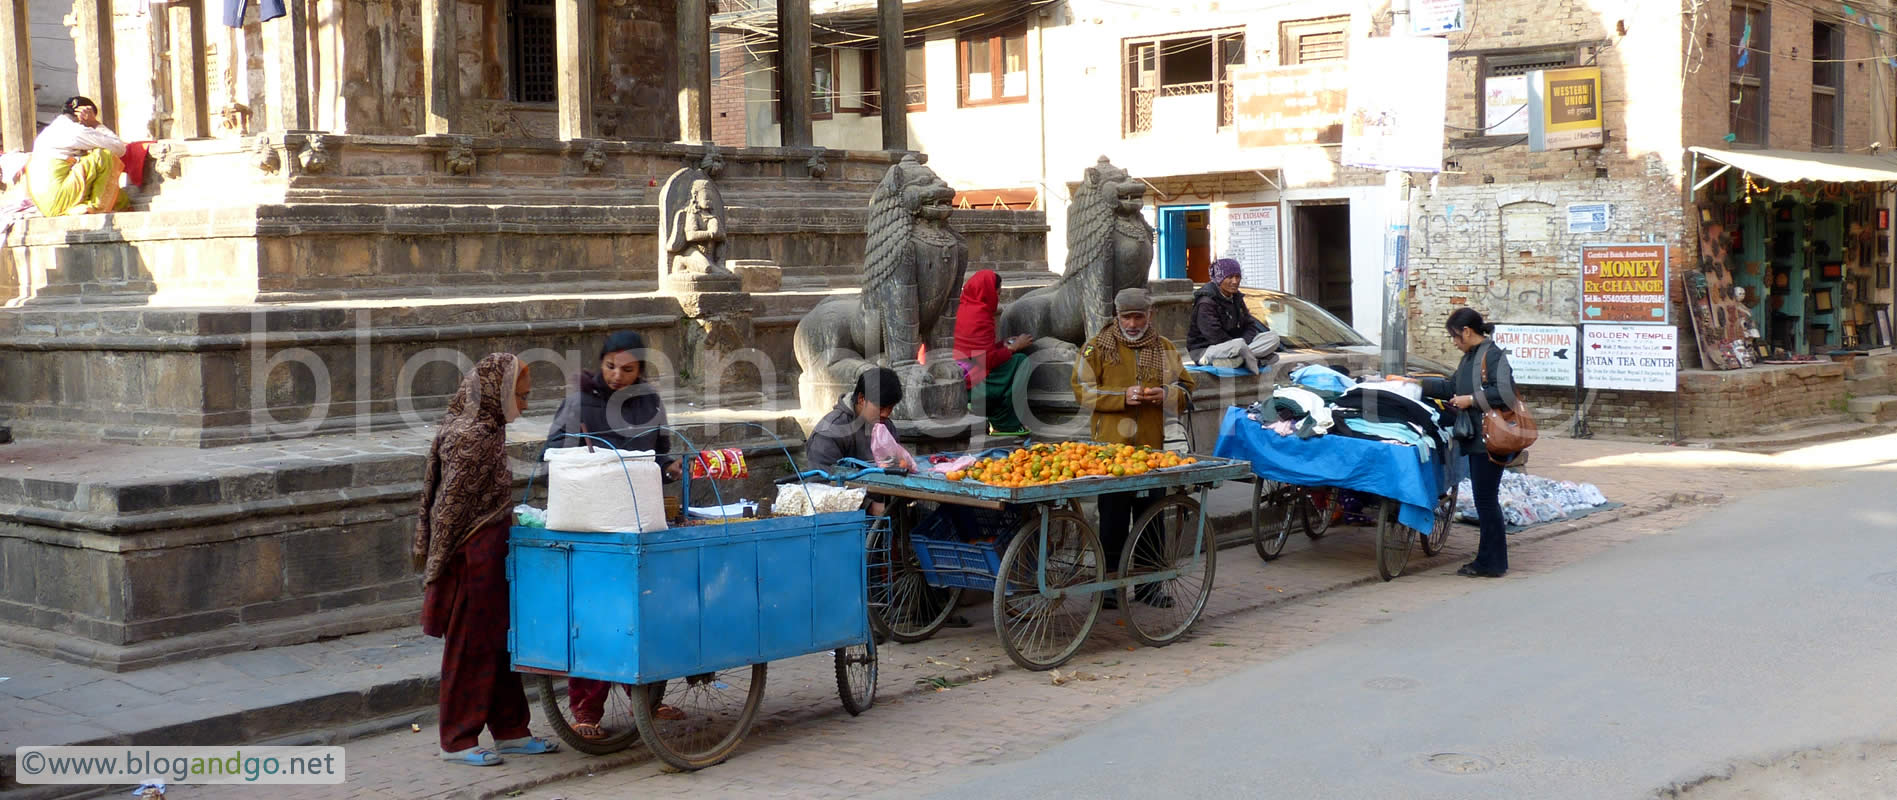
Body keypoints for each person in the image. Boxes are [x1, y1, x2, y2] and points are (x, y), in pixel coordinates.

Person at [414, 353, 560, 766]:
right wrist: (442, 564)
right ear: (497, 392)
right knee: (469, 649)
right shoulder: (471, 436)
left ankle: (511, 729)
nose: (525, 406)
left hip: (492, 552)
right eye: (521, 396)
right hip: (471, 557)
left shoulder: (487, 428)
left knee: (499, 645)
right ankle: (457, 739)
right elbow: (449, 509)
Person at [542, 331, 683, 739]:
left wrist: (670, 468)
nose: (616, 376)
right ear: (599, 363)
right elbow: (551, 455)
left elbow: (660, 455)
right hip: (589, 524)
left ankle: (648, 700)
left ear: (641, 371)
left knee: (644, 612)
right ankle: (586, 710)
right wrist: (587, 461)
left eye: (627, 369)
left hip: (638, 521)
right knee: (595, 616)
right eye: (610, 366)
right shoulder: (578, 403)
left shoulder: (650, 403)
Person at [1073, 288, 1195, 608]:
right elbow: (1082, 391)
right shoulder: (1097, 348)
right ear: (1117, 316)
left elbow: (1187, 389)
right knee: (1112, 519)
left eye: (1137, 316)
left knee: (1151, 518)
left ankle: (1149, 587)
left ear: (1149, 316)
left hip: (1151, 450)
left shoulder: (1164, 348)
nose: (1131, 323)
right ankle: (1109, 589)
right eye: (1126, 316)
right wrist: (1121, 398)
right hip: (1110, 452)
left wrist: (1165, 395)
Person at [1418, 308, 1519, 579]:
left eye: (1454, 336)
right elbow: (1453, 386)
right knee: (1484, 500)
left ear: (1467, 331)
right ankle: (1488, 559)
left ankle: (1492, 562)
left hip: (1490, 440)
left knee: (1486, 501)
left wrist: (1471, 400)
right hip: (1476, 438)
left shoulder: (1493, 355)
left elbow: (1506, 393)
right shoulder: (1470, 358)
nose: (1453, 342)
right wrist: (1416, 385)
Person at [953, 269, 1034, 436]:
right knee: (1020, 361)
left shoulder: (961, 308)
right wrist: (1014, 347)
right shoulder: (980, 316)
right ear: (988, 292)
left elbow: (975, 351)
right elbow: (987, 360)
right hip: (971, 385)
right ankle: (1006, 423)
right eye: (997, 293)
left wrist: (1001, 345)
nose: (998, 298)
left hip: (961, 377)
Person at [27, 97, 129, 217]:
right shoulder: (75, 130)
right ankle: (98, 208)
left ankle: (80, 207)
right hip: (58, 198)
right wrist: (94, 123)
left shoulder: (49, 131)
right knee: (104, 155)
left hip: (47, 204)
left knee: (120, 197)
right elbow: (119, 148)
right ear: (84, 114)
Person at [1186, 258, 1279, 371]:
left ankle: (1239, 360)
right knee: (1238, 345)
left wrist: (1244, 343)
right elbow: (1215, 336)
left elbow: (1250, 325)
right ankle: (1250, 358)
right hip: (1206, 350)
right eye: (1230, 277)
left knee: (1272, 337)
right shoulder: (1206, 302)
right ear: (1219, 279)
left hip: (1236, 346)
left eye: (1237, 277)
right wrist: (1239, 346)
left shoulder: (1237, 298)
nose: (1235, 281)